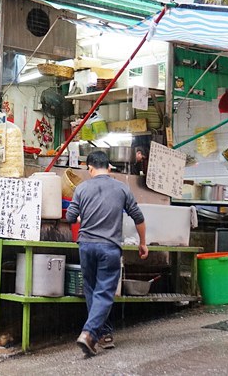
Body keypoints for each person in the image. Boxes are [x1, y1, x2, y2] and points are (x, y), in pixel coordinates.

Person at [65, 150, 148, 356]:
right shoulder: (122, 188)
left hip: (86, 246)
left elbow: (70, 216)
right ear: (109, 167)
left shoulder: (82, 188)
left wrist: (80, 219)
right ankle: (89, 333)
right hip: (109, 247)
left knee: (93, 291)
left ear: (90, 168)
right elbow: (138, 217)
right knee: (104, 292)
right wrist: (143, 243)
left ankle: (104, 334)